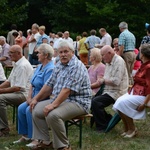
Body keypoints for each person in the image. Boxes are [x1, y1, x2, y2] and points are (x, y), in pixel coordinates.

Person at [26, 40, 92, 150]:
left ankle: (64, 146)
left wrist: (53, 105)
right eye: (61, 52)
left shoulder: (77, 66)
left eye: (66, 52)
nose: (63, 55)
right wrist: (35, 99)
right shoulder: (59, 64)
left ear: (72, 52)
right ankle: (45, 142)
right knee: (35, 109)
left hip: (79, 102)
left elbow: (67, 90)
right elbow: (49, 85)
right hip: (62, 99)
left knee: (53, 115)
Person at [13, 44, 54, 144]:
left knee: (29, 110)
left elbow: (47, 90)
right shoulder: (40, 66)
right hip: (33, 96)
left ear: (46, 55)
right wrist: (29, 96)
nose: (37, 55)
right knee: (21, 108)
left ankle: (35, 138)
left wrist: (35, 99)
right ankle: (26, 135)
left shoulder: (51, 69)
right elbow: (32, 84)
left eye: (39, 53)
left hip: (44, 98)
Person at [113, 44, 150, 138]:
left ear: (143, 54)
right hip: (136, 92)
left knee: (122, 103)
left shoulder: (148, 67)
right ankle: (127, 128)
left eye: (140, 52)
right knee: (118, 103)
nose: (138, 54)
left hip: (145, 96)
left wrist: (144, 104)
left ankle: (132, 129)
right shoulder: (143, 65)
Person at [91, 45, 128, 132]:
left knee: (96, 102)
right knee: (93, 100)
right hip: (108, 90)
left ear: (110, 53)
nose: (102, 57)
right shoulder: (108, 62)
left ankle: (102, 127)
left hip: (117, 92)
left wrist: (102, 81)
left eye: (103, 55)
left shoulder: (119, 61)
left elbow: (116, 82)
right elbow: (106, 78)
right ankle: (107, 119)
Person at [0, 45, 33, 137]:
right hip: (17, 92)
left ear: (19, 53)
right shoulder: (17, 63)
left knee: (0, 99)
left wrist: (1, 91)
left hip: (24, 95)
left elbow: (18, 87)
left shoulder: (22, 66)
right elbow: (8, 82)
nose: (9, 55)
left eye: (11, 53)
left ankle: (4, 128)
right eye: (9, 52)